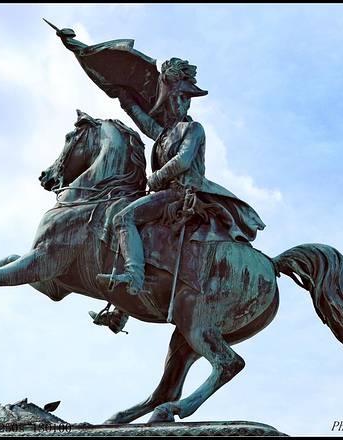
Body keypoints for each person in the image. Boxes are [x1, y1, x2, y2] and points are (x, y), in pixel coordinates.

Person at [96, 58, 266, 298]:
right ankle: (122, 306)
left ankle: (134, 278)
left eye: (185, 98)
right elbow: (142, 120)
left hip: (181, 194)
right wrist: (122, 95)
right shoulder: (164, 134)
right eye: (176, 97)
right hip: (167, 194)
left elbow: (183, 160)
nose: (180, 103)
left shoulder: (194, 129)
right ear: (167, 101)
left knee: (124, 218)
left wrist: (156, 178)